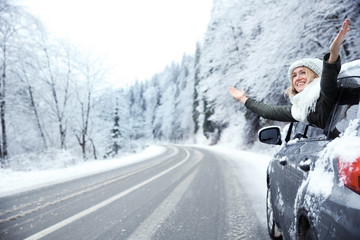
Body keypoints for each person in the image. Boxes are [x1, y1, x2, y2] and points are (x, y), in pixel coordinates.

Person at [229, 19, 351, 129]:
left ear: (315, 76)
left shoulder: (325, 93)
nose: (298, 78)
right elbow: (269, 111)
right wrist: (243, 98)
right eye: (294, 75)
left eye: (303, 72)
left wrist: (333, 53)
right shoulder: (300, 109)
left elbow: (328, 78)